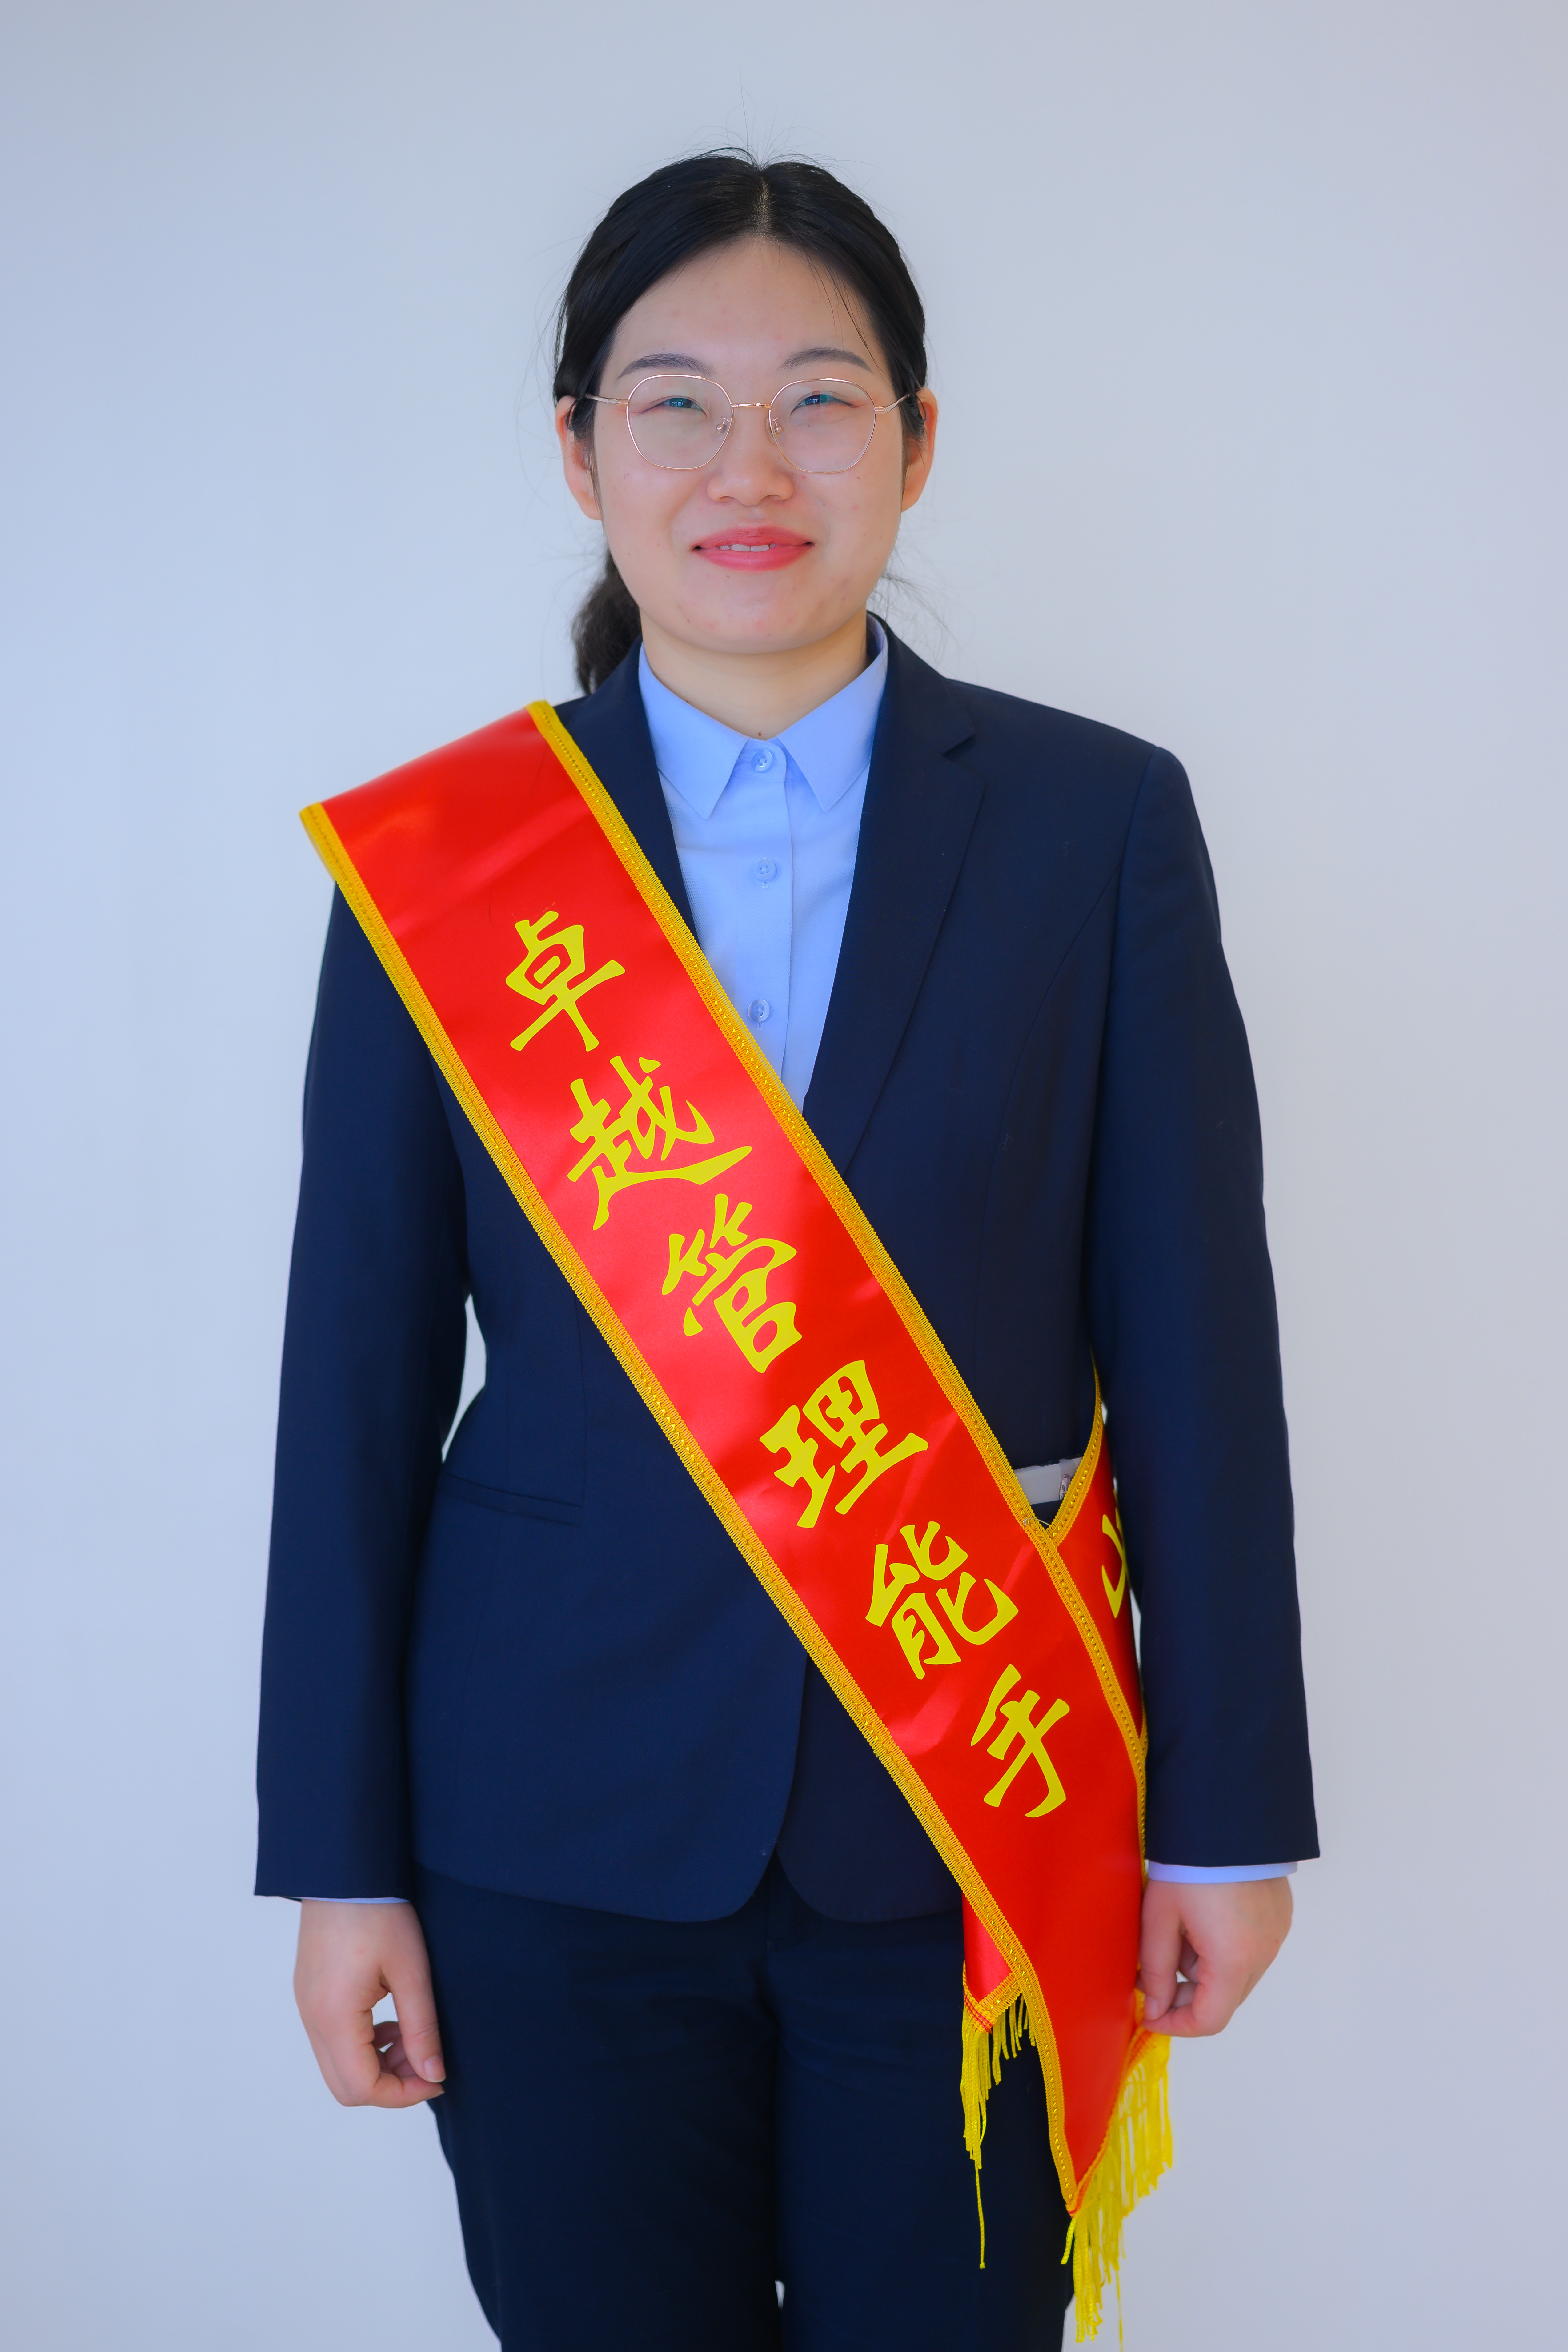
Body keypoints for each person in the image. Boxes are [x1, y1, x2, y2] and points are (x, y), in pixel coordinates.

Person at [258, 151, 1317, 2352]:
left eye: (819, 400)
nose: (749, 468)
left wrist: (1224, 1819)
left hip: (967, 1809)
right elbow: (351, 1391)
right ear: (581, 453)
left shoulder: (1096, 825)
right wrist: (339, 1860)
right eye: (676, 404)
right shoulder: (452, 866)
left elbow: (1197, 1353)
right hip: (544, 1830)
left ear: (915, 441)